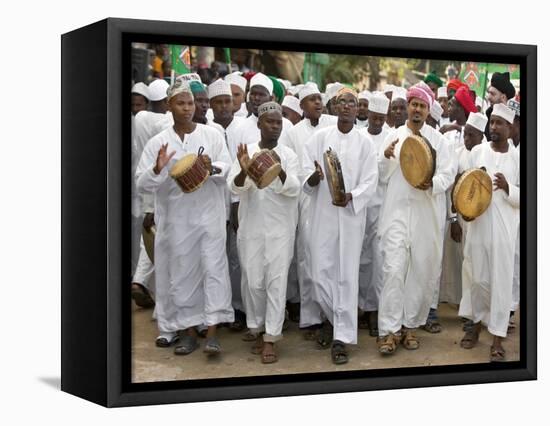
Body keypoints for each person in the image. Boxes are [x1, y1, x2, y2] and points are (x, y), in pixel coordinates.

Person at [136, 79, 234, 355]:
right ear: (170, 106)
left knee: (214, 270)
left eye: (190, 103)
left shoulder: (212, 134)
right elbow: (142, 184)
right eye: (181, 103)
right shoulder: (159, 142)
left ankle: (213, 332)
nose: (187, 108)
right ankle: (189, 332)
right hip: (177, 221)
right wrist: (157, 169)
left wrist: (210, 166)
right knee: (183, 275)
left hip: (209, 217)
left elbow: (226, 167)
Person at [376, 81, 454, 355]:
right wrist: (386, 158)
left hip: (426, 215)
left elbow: (448, 173)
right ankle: (389, 331)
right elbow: (381, 175)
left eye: (422, 105)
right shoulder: (393, 137)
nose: (417, 109)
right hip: (396, 213)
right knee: (394, 270)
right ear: (407, 107)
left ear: (429, 109)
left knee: (419, 272)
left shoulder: (439, 140)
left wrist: (431, 184)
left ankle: (409, 327)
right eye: (414, 104)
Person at [302, 88, 378, 364]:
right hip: (323, 214)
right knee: (319, 272)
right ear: (334, 107)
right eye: (343, 102)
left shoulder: (365, 142)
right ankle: (335, 318)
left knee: (347, 275)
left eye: (353, 103)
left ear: (358, 110)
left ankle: (341, 337)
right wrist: (313, 177)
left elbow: (371, 180)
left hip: (350, 216)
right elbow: (304, 172)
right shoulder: (319, 138)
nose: (347, 106)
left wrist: (352, 196)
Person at [228, 102, 300, 364]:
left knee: (276, 283)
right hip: (252, 229)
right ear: (259, 124)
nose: (275, 126)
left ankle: (271, 337)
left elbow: (294, 188)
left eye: (279, 122)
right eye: (270, 122)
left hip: (281, 230)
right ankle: (257, 327)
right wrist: (244, 169)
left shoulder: (289, 155)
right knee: (253, 281)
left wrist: (278, 169)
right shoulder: (248, 152)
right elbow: (235, 188)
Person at [458, 103, 519, 362]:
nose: (493, 127)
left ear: (510, 127)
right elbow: (464, 185)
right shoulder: (478, 151)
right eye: (491, 122)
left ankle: (497, 338)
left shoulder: (518, 157)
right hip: (478, 226)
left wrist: (509, 188)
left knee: (500, 282)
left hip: (504, 230)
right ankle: (475, 324)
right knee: (477, 278)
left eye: (499, 123)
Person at [278, 83, 337, 337]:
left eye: (319, 99)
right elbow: (292, 167)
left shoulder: (332, 125)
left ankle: (331, 314)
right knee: (306, 259)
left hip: (332, 202)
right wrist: (311, 177)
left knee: (330, 260)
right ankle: (311, 317)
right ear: (301, 105)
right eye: (311, 100)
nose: (317, 103)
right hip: (306, 201)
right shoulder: (292, 131)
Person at [207, 78, 247, 331]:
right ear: (211, 105)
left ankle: (238, 308)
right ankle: (215, 311)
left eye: (227, 102)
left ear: (234, 104)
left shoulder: (244, 128)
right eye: (218, 102)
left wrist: (235, 206)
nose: (223, 106)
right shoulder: (206, 129)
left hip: (240, 202)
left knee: (237, 257)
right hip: (211, 205)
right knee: (213, 259)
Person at [358, 92, 391, 336]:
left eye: (382, 118)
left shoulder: (392, 138)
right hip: (358, 209)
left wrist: (385, 158)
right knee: (359, 259)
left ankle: (373, 310)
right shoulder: (358, 137)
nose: (378, 121)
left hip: (382, 207)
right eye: (374, 117)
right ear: (368, 115)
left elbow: (386, 173)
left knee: (378, 260)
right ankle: (357, 307)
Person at [235, 73, 293, 146]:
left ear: (271, 98)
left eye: (261, 95)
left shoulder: (287, 126)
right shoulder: (240, 128)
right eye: (253, 94)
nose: (256, 98)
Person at [484, 72, 516, 139]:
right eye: (488, 93)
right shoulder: (488, 114)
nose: (488, 97)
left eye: (492, 94)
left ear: (503, 97)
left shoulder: (514, 120)